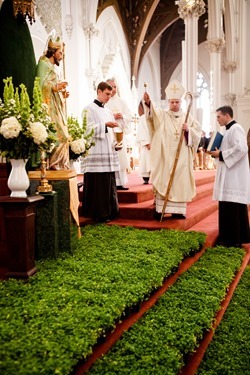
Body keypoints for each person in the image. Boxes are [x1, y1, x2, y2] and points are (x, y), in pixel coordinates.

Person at [143, 79, 201, 220]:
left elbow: (197, 131)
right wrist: (149, 103)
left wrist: (189, 131)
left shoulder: (187, 117)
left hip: (181, 157)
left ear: (181, 103)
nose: (174, 104)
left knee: (180, 181)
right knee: (164, 178)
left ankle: (178, 211)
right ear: (168, 102)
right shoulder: (163, 115)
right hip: (165, 156)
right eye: (172, 102)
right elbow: (153, 116)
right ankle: (160, 210)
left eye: (177, 102)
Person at [208, 105, 250, 247]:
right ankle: (229, 238)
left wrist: (220, 154)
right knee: (228, 206)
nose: (217, 119)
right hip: (229, 174)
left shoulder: (236, 128)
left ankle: (233, 240)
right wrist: (219, 152)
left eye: (219, 116)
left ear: (227, 116)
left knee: (233, 207)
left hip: (234, 177)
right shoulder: (227, 131)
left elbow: (242, 148)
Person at [81, 81, 120, 223]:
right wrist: (104, 125)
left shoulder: (108, 111)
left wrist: (116, 143)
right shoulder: (88, 109)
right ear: (99, 91)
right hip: (96, 153)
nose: (109, 97)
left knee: (108, 183)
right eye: (106, 94)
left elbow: (111, 133)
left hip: (108, 152)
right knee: (99, 185)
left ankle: (110, 211)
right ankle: (98, 213)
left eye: (110, 94)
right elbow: (86, 130)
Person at [36, 33, 70, 170]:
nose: (61, 56)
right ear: (53, 52)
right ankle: (53, 164)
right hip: (48, 109)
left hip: (56, 107)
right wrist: (55, 88)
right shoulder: (43, 65)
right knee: (61, 136)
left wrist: (62, 93)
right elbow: (39, 87)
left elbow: (52, 87)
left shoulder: (52, 68)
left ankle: (59, 164)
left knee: (65, 135)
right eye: (60, 53)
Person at [105, 78, 132, 190]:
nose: (113, 89)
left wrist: (123, 116)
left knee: (121, 158)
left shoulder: (122, 101)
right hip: (109, 136)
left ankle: (121, 182)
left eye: (115, 87)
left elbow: (129, 117)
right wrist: (113, 117)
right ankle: (112, 183)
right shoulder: (104, 102)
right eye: (111, 87)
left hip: (119, 134)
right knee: (111, 159)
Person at [135, 101, 151, 184]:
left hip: (155, 143)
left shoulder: (155, 117)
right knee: (145, 160)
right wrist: (147, 143)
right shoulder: (143, 118)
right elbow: (141, 131)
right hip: (146, 144)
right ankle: (146, 178)